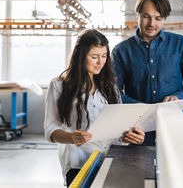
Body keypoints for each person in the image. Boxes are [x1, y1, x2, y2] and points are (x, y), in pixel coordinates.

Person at [44, 29, 145, 187]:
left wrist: (129, 137)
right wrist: (71, 137)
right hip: (78, 163)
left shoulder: (110, 86)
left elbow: (117, 127)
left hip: (109, 160)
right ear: (80, 56)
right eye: (94, 57)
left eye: (104, 56)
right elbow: (50, 128)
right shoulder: (59, 85)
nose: (100, 62)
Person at [112, 0, 183, 145]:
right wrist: (139, 107)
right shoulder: (121, 51)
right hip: (137, 132)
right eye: (146, 16)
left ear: (164, 19)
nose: (151, 24)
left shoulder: (181, 44)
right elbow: (112, 91)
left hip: (174, 128)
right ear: (138, 14)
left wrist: (179, 96)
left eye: (158, 18)